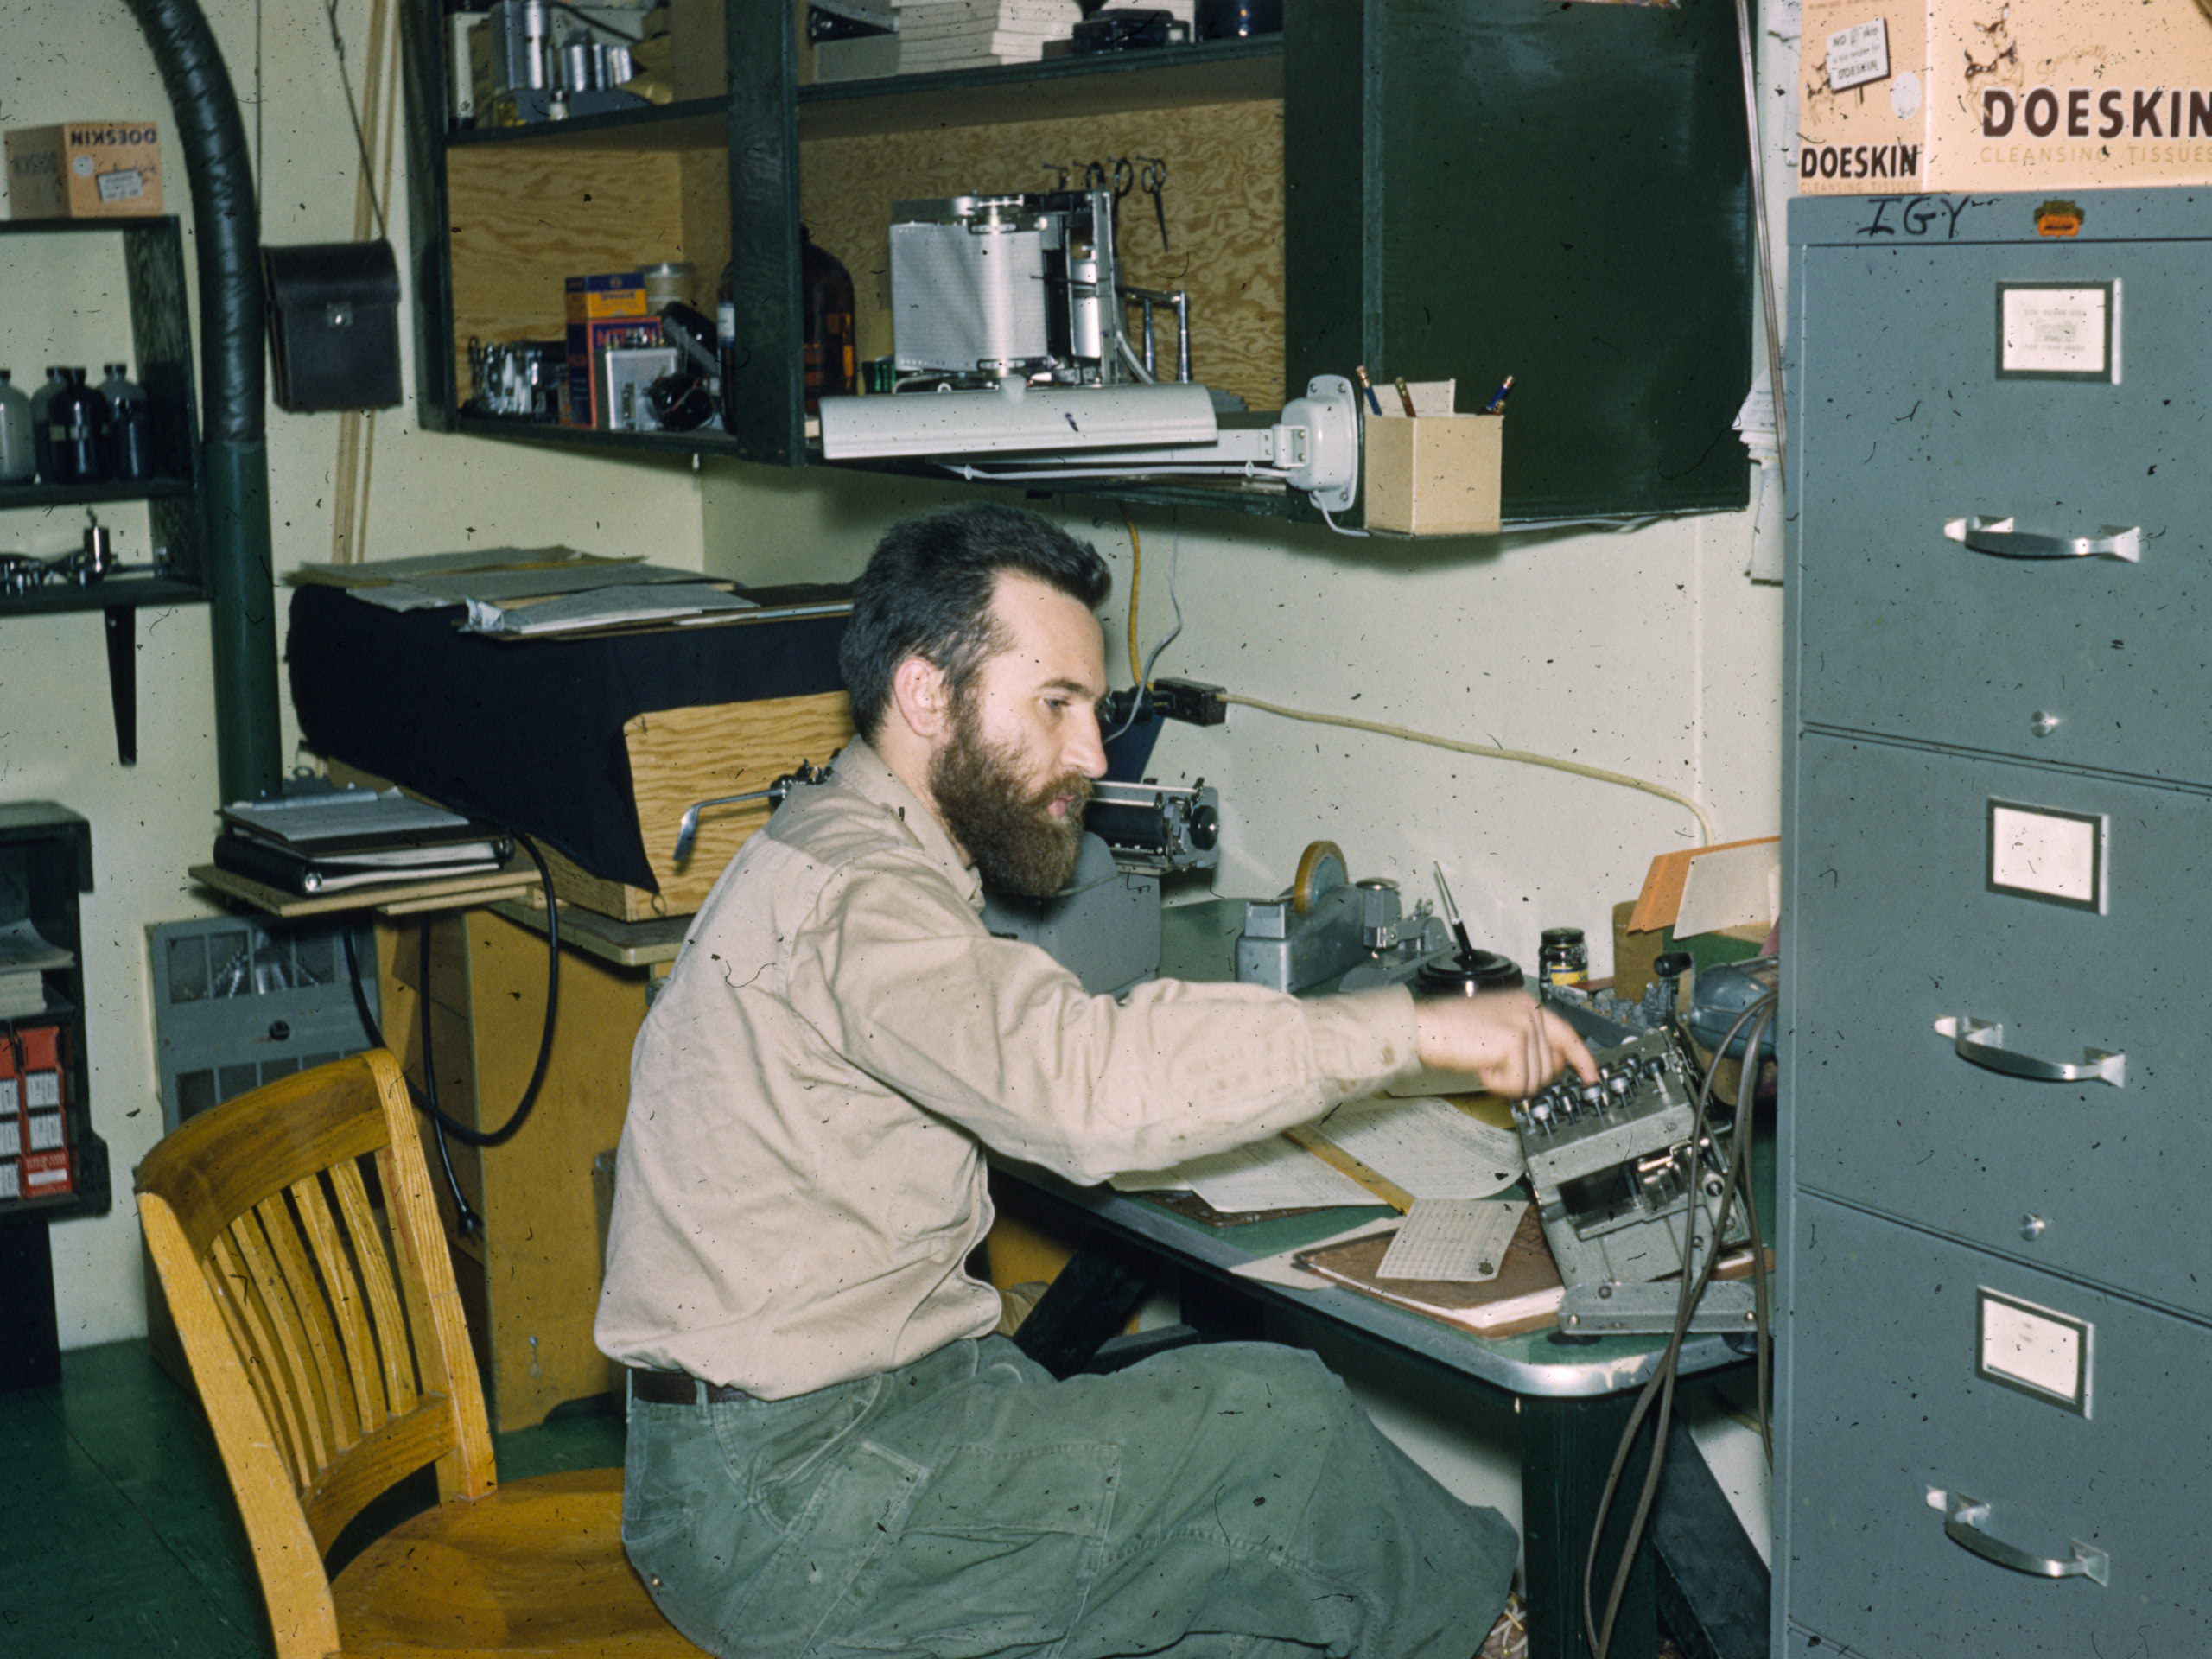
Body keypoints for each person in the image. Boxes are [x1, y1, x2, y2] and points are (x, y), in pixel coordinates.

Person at [595, 502, 1596, 1659]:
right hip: (795, 1504)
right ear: (927, 697)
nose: (1090, 754)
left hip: (804, 1453)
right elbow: (1084, 1088)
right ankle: (1508, 1641)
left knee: (1257, 1603)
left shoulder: (830, 838)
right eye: (1056, 705)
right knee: (1283, 1422)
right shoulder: (865, 899)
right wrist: (1414, 1032)